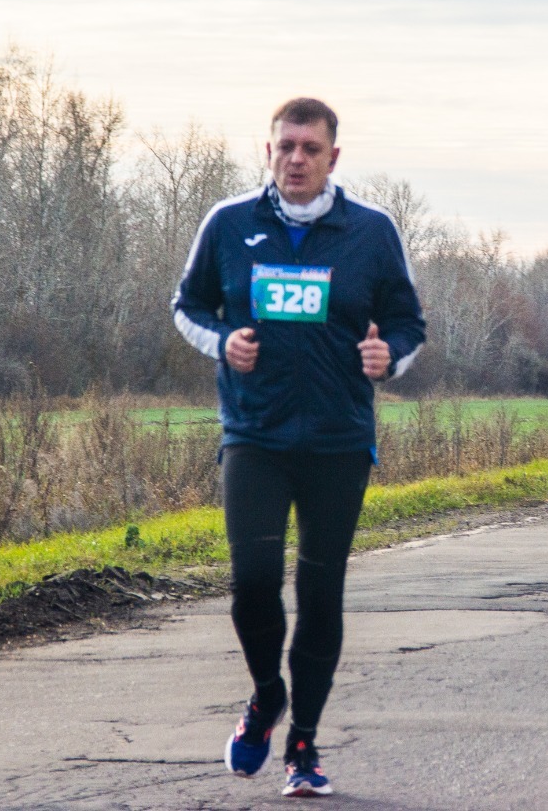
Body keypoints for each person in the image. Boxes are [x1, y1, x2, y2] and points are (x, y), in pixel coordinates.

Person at [172, 97, 427, 798]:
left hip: (337, 441)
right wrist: (222, 341)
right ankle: (266, 695)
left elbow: (408, 323)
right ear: (269, 151)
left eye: (311, 148)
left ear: (332, 158)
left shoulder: (370, 232)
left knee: (320, 593)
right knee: (252, 581)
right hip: (255, 434)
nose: (296, 159)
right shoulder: (229, 224)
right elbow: (187, 305)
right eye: (286, 146)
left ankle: (304, 744)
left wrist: (388, 357)